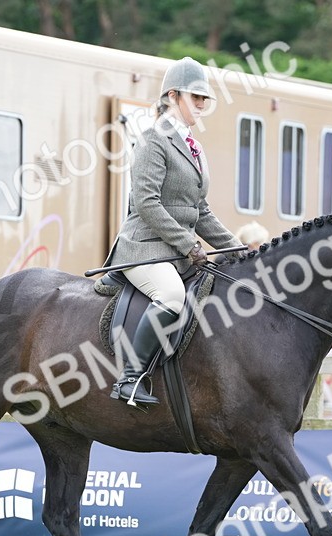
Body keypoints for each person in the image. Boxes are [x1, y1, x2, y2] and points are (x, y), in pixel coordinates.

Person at [101, 57, 242, 407]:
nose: (202, 104)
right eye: (196, 97)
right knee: (171, 296)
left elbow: (200, 210)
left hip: (176, 253)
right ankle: (131, 378)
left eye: (205, 98)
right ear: (173, 96)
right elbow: (146, 203)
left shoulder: (194, 147)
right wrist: (188, 243)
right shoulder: (153, 139)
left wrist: (238, 248)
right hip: (144, 247)